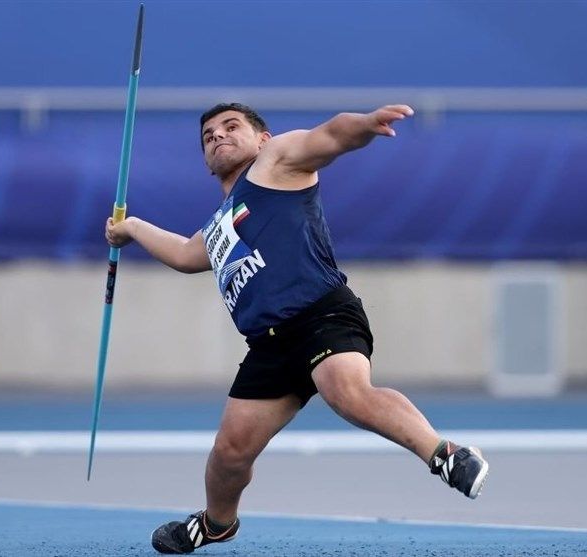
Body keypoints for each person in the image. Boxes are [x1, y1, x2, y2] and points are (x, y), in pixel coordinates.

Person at [105, 103, 489, 554]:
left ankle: (444, 454)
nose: (218, 137)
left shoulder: (276, 163)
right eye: (208, 136)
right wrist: (131, 227)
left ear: (263, 139)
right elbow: (187, 255)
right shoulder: (219, 225)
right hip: (269, 345)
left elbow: (328, 136)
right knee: (229, 455)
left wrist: (362, 127)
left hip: (320, 315)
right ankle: (216, 523)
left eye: (231, 127)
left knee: (345, 391)